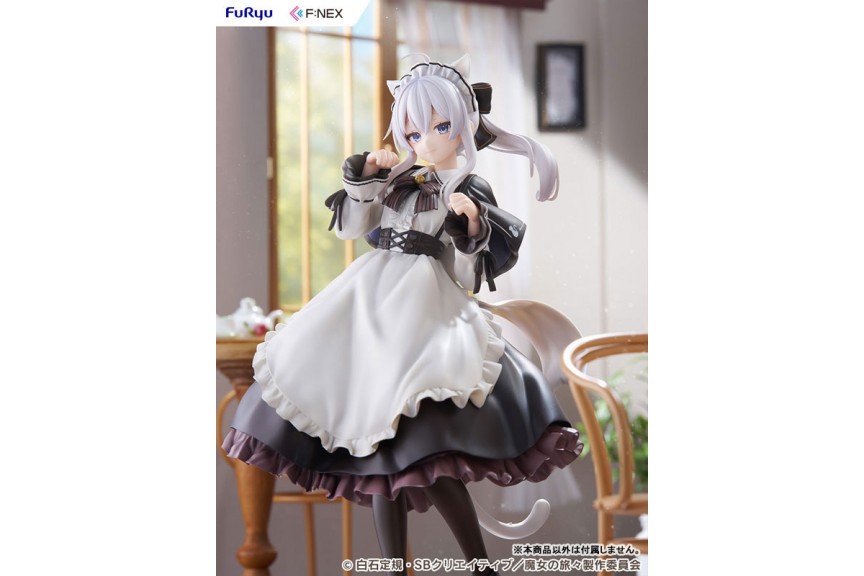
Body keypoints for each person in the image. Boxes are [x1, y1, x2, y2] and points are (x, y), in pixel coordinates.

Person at [223, 55, 582, 576]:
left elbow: (466, 273)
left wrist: (471, 226)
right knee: (379, 459)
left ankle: (478, 566)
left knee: (423, 460)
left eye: (439, 127)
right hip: (367, 307)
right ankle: (396, 567)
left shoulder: (468, 189)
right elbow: (353, 228)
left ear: (463, 126)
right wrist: (366, 177)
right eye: (413, 131)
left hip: (424, 314)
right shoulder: (397, 180)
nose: (425, 140)